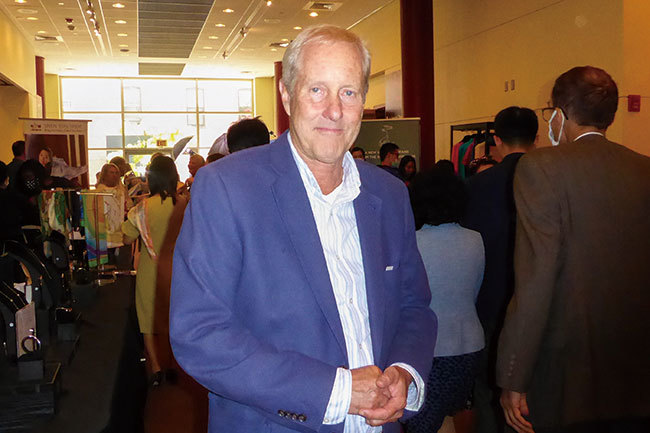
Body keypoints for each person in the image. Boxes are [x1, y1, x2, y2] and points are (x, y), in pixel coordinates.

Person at [170, 24, 437, 433]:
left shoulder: (390, 194)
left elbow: (414, 306)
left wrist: (404, 371)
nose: (335, 110)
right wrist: (338, 391)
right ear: (286, 94)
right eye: (317, 90)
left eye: (348, 92)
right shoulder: (227, 188)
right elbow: (200, 333)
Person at [497, 66, 650, 433]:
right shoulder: (643, 169)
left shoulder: (540, 168)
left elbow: (536, 280)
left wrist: (514, 374)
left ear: (560, 114)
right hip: (634, 365)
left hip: (566, 372)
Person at [462, 106, 538, 433]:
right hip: (539, 304)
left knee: (487, 387)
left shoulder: (478, 186)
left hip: (490, 300)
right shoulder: (550, 178)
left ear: (496, 139)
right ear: (536, 138)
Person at [405, 167, 484, 433]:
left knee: (423, 423)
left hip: (428, 348)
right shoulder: (475, 240)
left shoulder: (412, 242)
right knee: (453, 415)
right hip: (469, 344)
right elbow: (474, 292)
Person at [122, 156, 187, 387]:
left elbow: (126, 238)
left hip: (150, 269)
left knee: (148, 320)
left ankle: (157, 369)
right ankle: (172, 366)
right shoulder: (185, 205)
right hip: (179, 271)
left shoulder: (142, 208)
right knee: (173, 318)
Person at [96, 163, 132, 267]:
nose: (114, 175)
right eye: (111, 172)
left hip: (121, 233)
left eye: (116, 173)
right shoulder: (98, 192)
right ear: (105, 174)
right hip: (104, 235)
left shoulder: (122, 191)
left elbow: (129, 207)